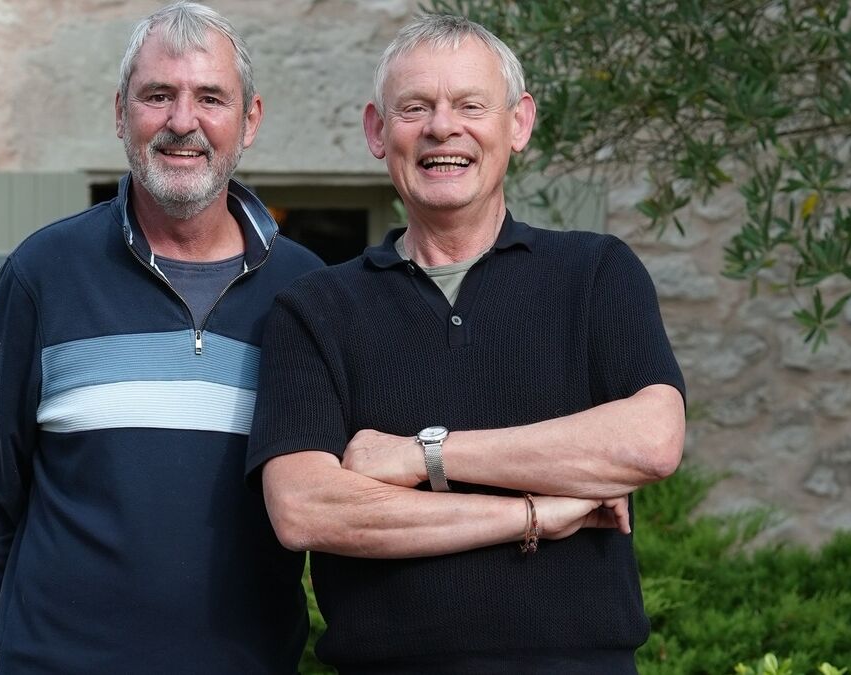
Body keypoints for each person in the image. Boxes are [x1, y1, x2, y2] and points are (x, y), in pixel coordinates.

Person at [248, 13, 686, 674]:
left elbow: (651, 440)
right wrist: (537, 513)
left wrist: (419, 455)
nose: (442, 128)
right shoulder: (316, 308)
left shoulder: (595, 272)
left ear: (519, 124)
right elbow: (305, 508)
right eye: (415, 107)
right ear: (377, 130)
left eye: (471, 105)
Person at [0, 3, 322, 672]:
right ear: (120, 112)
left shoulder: (306, 292)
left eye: (210, 98)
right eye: (158, 95)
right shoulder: (42, 275)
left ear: (250, 120)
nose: (182, 121)